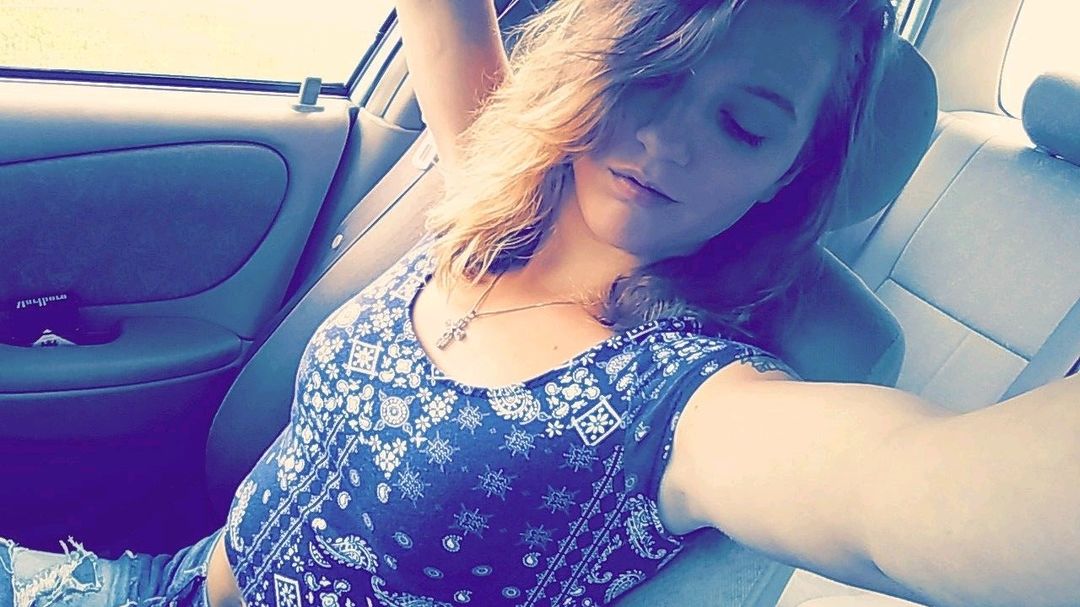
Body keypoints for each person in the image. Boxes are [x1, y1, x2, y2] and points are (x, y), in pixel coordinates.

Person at [2, 0, 1078, 606]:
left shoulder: (686, 401)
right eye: (649, 72)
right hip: (157, 583)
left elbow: (927, 495)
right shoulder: (498, 186)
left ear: (789, 172)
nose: (664, 139)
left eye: (744, 124)